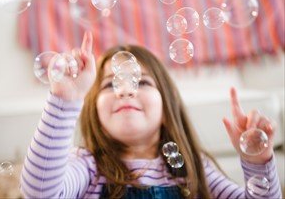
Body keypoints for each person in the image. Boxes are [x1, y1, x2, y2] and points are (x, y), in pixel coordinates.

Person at [20, 43, 282, 199]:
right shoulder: (88, 166)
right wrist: (65, 100)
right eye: (110, 85)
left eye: (142, 82)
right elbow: (40, 192)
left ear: (167, 108)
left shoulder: (193, 165)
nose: (125, 90)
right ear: (95, 113)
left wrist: (257, 162)